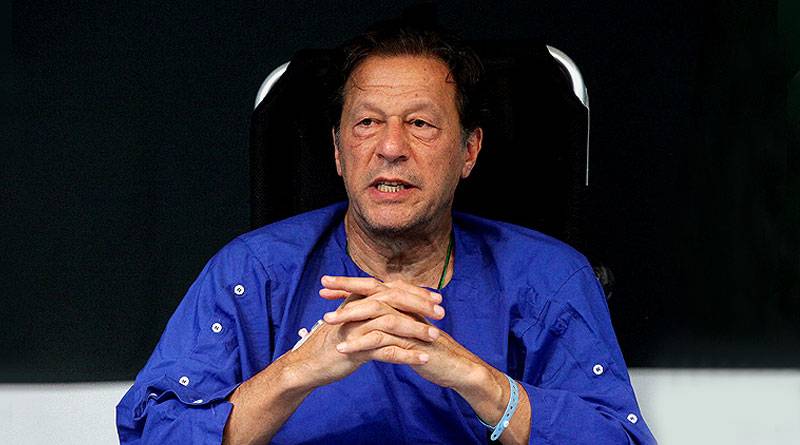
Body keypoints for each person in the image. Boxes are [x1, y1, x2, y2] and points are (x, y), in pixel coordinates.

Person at [117, 23, 656, 445]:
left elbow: (619, 438)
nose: (391, 148)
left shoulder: (548, 278)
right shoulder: (251, 273)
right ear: (338, 151)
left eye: (420, 124)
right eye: (367, 123)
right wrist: (295, 372)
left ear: (469, 151)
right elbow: (152, 433)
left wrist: (479, 380)